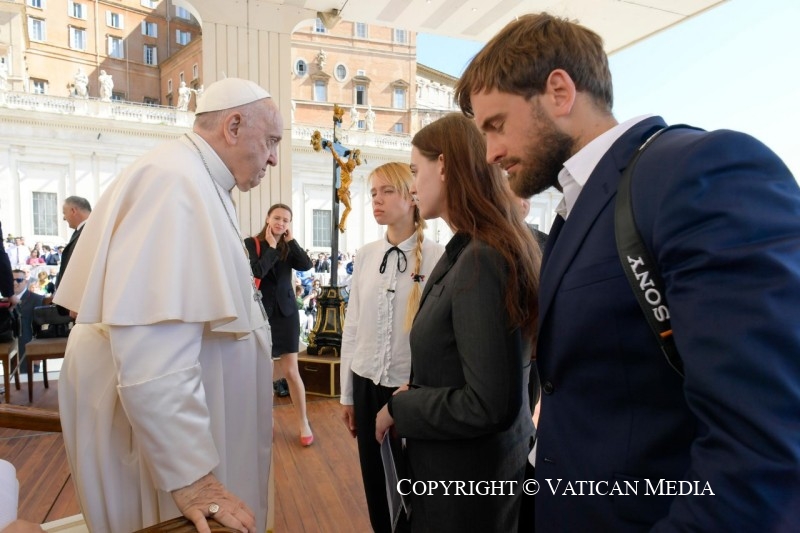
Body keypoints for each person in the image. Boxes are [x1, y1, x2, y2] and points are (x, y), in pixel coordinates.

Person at [454, 13, 800, 532]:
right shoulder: (578, 206)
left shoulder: (698, 170)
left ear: (559, 91)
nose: (490, 153)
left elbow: (764, 443)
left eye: (496, 125)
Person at [53, 77, 283, 533]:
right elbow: (151, 346)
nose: (274, 157)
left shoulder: (196, 177)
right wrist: (192, 476)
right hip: (156, 444)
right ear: (233, 126)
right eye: (271, 141)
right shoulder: (174, 182)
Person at [374, 113, 540, 532]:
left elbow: (489, 404)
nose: (412, 186)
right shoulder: (472, 249)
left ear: (444, 166)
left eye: (415, 170)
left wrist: (400, 406)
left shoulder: (482, 258)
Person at [340, 162, 444, 533]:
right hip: (367, 383)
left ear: (411, 196)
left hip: (409, 388)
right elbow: (352, 328)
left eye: (386, 191)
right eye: (372, 193)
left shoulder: (437, 257)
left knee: (411, 482)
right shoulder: (366, 255)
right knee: (373, 480)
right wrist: (347, 397)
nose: (376, 201)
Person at [244, 203, 315, 446]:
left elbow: (306, 265)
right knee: (263, 373)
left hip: (287, 315)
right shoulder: (252, 242)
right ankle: (268, 420)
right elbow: (258, 271)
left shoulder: (288, 246)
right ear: (267, 218)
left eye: (286, 220)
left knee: (291, 372)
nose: (281, 223)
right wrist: (272, 248)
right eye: (277, 218)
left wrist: (291, 241)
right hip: (262, 314)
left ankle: (303, 421)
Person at [10, 269, 44, 374]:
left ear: (25, 281)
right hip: (10, 348)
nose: (15, 282)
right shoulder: (5, 301)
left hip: (28, 348)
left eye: (19, 280)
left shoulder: (37, 299)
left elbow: (40, 327)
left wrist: (38, 353)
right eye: (12, 280)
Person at [55, 196, 91, 291]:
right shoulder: (83, 231)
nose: (64, 218)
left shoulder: (90, 232)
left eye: (64, 213)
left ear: (73, 211)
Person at [331, 148, 361, 233]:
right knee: (349, 207)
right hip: (341, 191)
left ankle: (342, 224)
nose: (353, 168)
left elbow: (350, 160)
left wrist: (351, 154)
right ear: (349, 165)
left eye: (354, 167)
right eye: (352, 166)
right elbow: (337, 157)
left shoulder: (350, 171)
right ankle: (341, 224)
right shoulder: (344, 167)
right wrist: (331, 147)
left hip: (346, 192)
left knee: (349, 208)